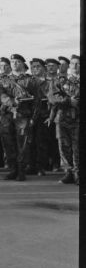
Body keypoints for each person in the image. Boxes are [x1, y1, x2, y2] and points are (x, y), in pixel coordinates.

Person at [0, 54, 40, 181]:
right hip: (7, 114)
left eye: (17, 61)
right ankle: (13, 169)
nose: (14, 64)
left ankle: (21, 170)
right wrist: (10, 101)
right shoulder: (3, 80)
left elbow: (37, 101)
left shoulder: (30, 80)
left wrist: (33, 118)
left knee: (23, 143)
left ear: (22, 64)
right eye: (13, 61)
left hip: (23, 115)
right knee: (7, 142)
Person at [48, 54, 80, 185]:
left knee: (78, 147)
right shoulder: (60, 80)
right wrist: (68, 101)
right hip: (62, 118)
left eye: (78, 64)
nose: (75, 66)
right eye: (73, 63)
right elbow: (52, 97)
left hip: (78, 119)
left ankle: (78, 173)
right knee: (63, 147)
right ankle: (69, 172)